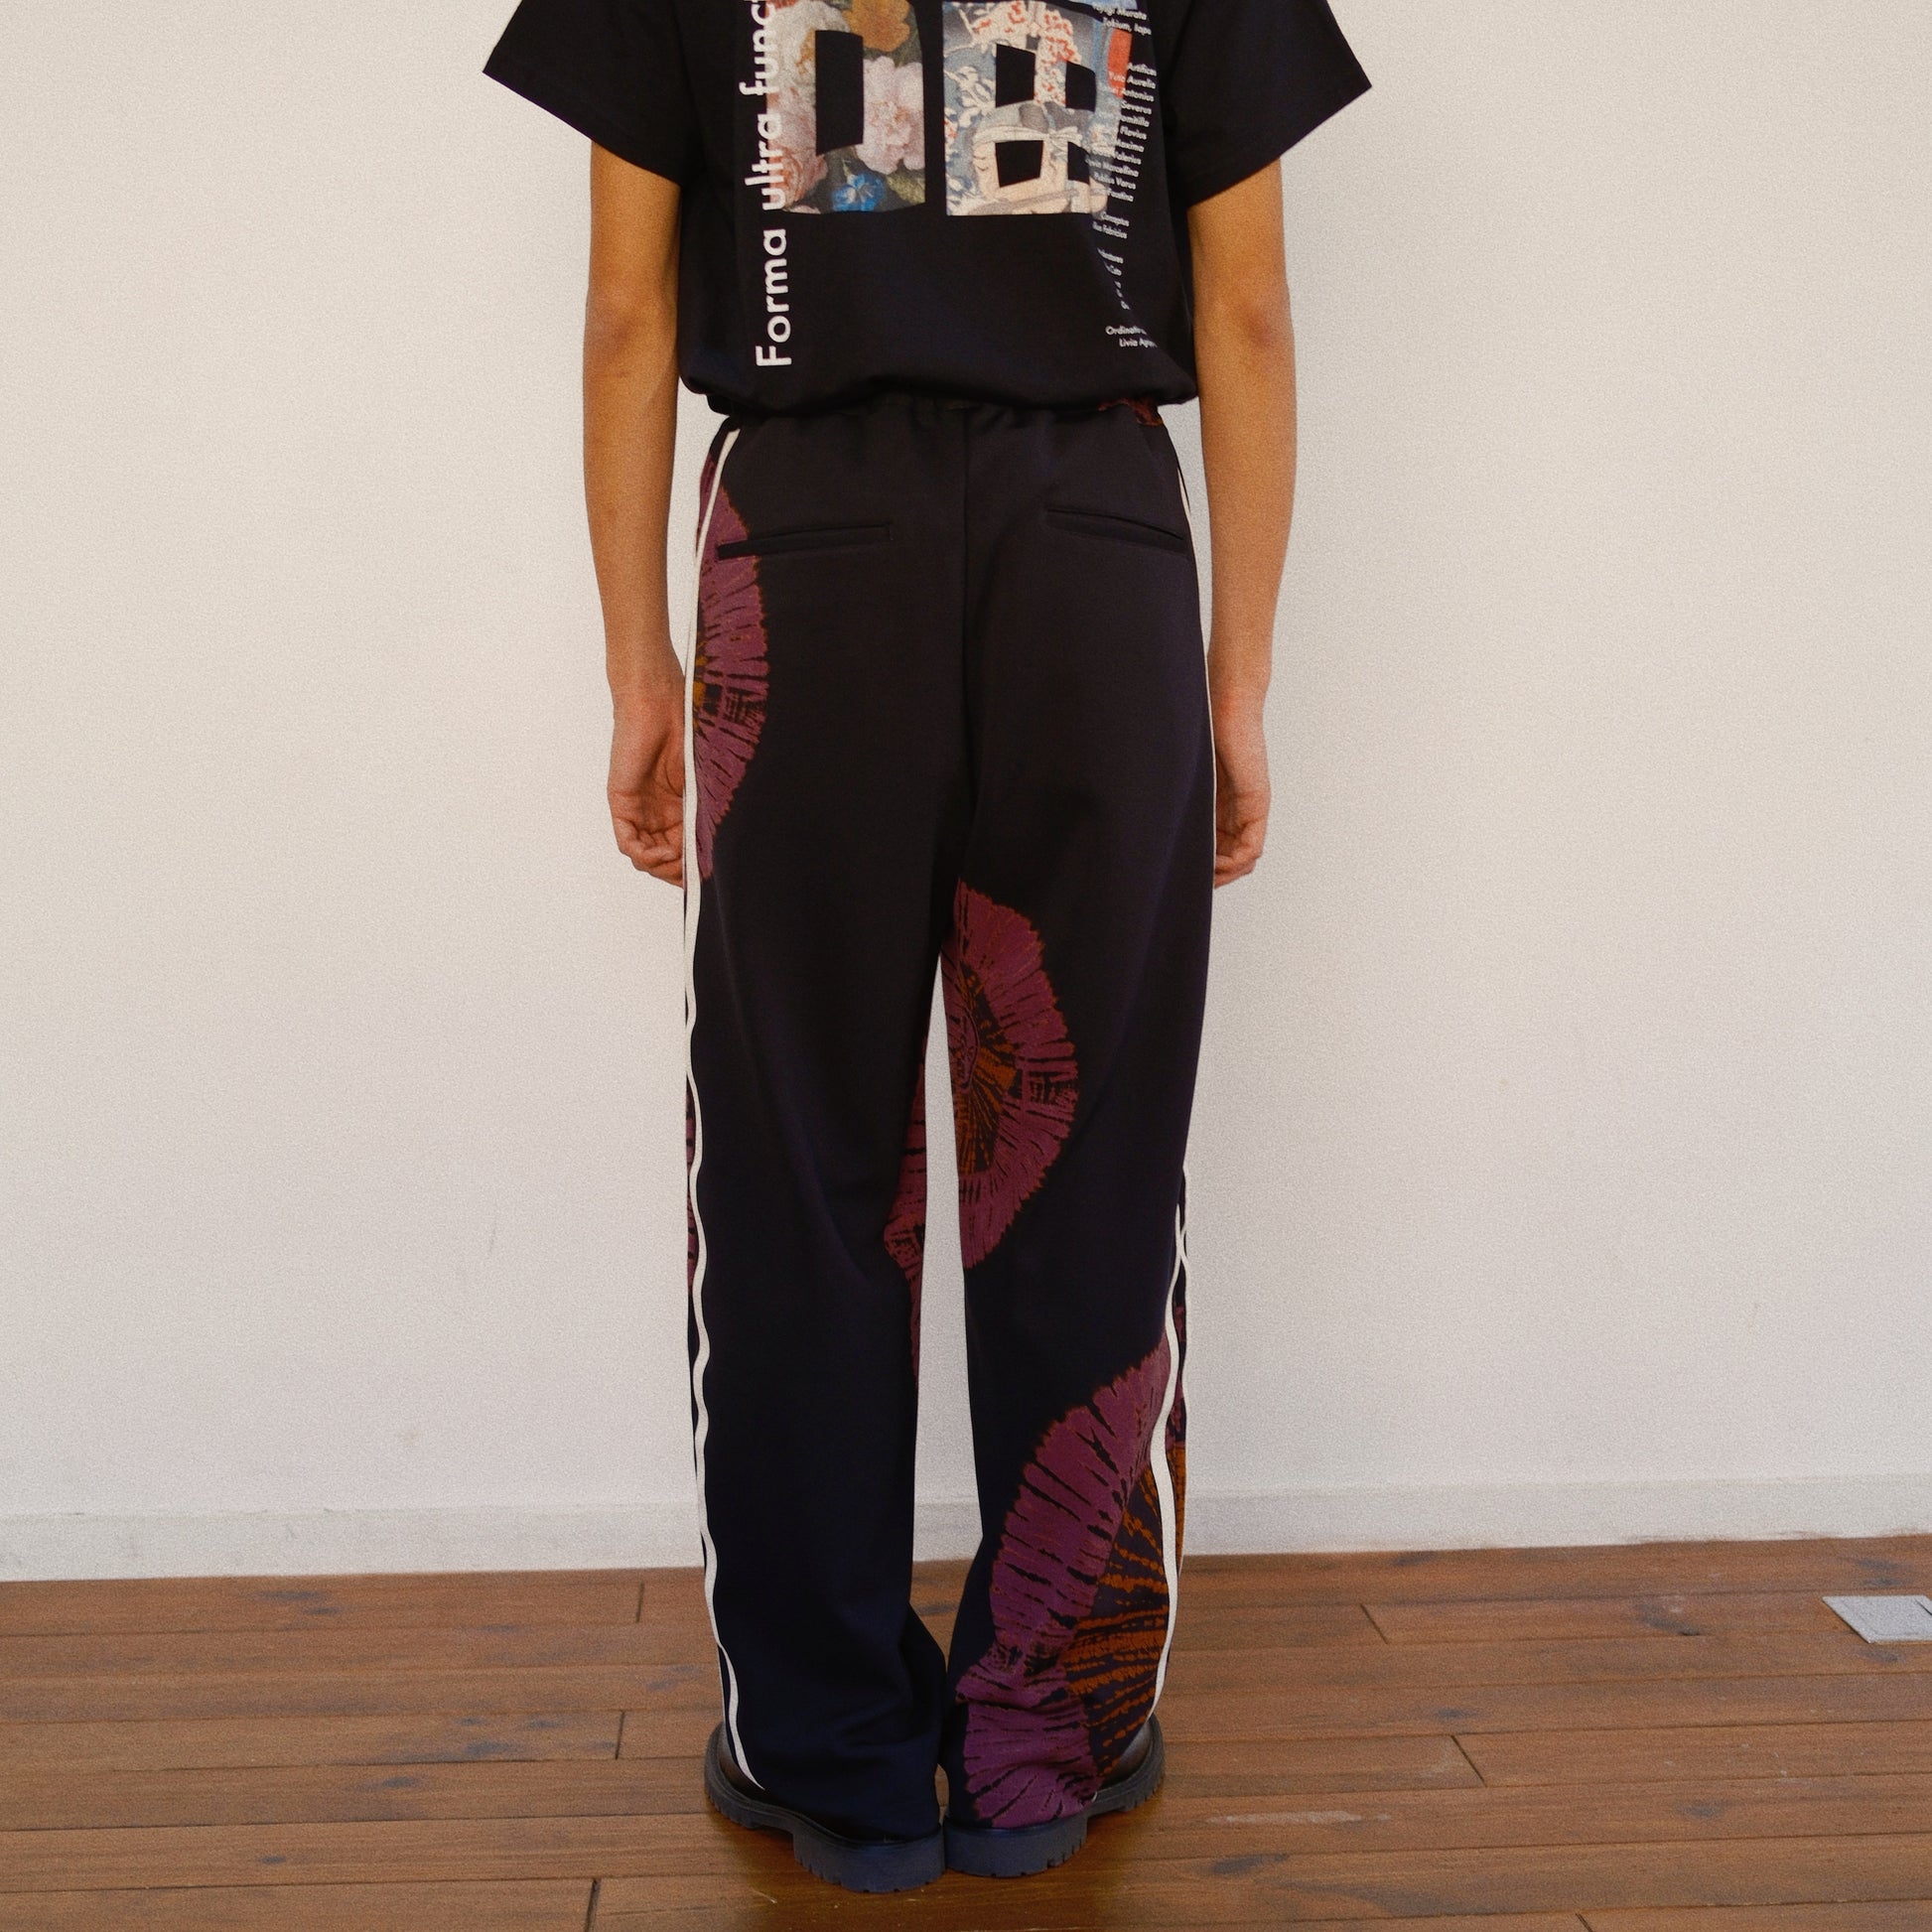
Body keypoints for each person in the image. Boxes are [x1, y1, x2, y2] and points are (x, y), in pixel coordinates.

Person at [483, 0, 1368, 1892]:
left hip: (805, 556)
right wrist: (1234, 682)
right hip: (1096, 550)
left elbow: (631, 311)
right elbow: (1247, 310)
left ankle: (831, 1751)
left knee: (803, 1157)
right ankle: (1044, 1740)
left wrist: (637, 663)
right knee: (1088, 1145)